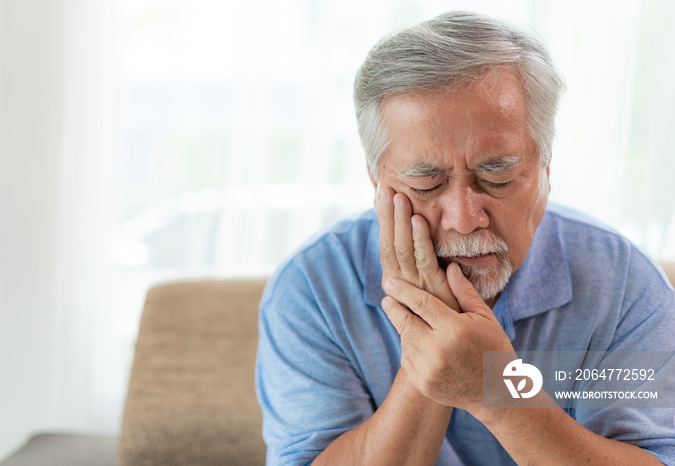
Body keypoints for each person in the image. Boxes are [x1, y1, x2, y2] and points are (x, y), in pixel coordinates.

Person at [255, 11, 675, 465]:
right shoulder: (312, 289)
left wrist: (494, 385)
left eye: (497, 178)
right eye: (426, 185)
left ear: (545, 170)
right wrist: (432, 347)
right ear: (377, 182)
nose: (463, 218)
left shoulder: (623, 283)